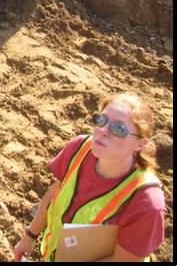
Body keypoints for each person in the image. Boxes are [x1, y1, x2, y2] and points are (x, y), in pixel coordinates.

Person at [13, 93, 165, 262]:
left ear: (140, 143)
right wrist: (29, 237)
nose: (103, 131)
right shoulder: (79, 148)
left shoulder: (147, 203)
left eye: (119, 129)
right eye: (101, 120)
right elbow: (53, 195)